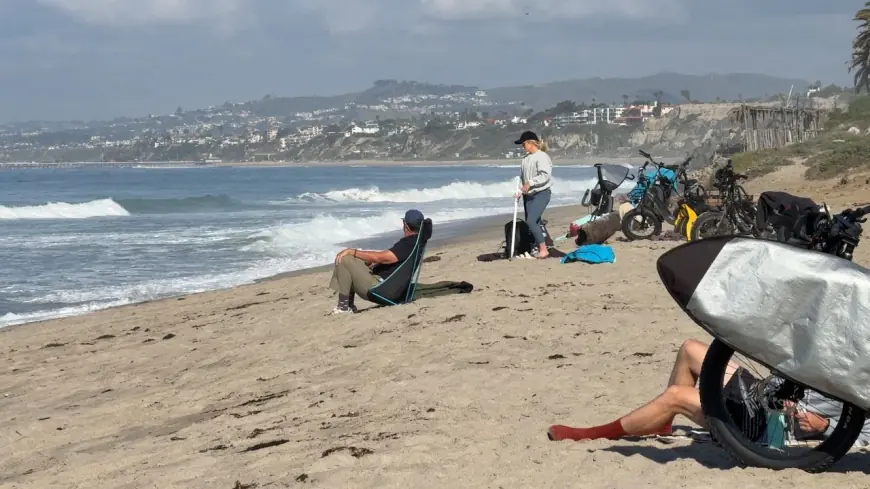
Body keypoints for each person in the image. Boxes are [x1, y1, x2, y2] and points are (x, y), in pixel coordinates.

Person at [547, 339, 863, 443]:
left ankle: (594, 433)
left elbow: (866, 440)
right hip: (766, 396)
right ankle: (662, 422)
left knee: (675, 397)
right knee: (690, 349)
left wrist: (827, 428)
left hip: (775, 428)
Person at [329, 209, 425, 314]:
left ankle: (343, 307)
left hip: (381, 290)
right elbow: (391, 261)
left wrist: (353, 251)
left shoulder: (407, 244)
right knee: (354, 259)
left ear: (405, 226)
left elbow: (382, 257)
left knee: (345, 259)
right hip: (391, 287)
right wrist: (374, 264)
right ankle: (348, 305)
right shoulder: (416, 242)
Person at [515, 130, 553, 259]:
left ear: (531, 143)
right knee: (533, 222)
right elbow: (522, 177)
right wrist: (520, 190)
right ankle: (536, 247)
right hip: (528, 195)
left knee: (531, 221)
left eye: (523, 144)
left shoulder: (542, 156)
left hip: (542, 193)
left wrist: (530, 183)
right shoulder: (525, 159)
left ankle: (543, 249)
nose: (522, 146)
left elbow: (545, 176)